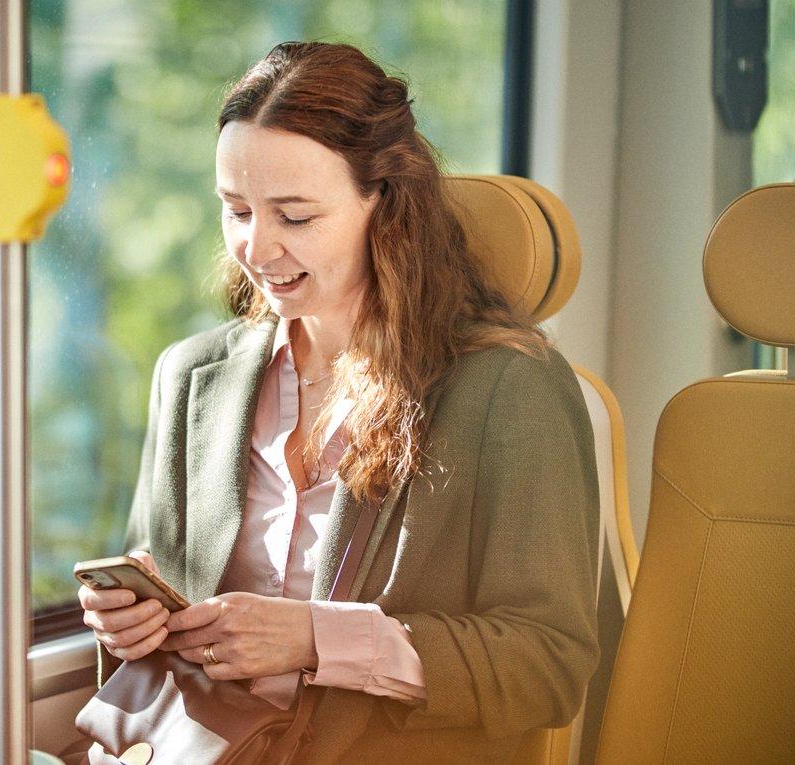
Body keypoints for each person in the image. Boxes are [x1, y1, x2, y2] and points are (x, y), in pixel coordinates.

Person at [77, 41, 599, 763]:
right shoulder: (190, 375)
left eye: (294, 217)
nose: (256, 249)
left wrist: (317, 638)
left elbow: (549, 665)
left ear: (385, 206)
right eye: (236, 211)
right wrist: (130, 620)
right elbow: (159, 589)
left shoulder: (509, 388)